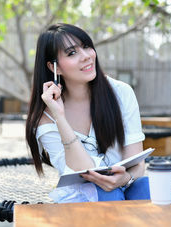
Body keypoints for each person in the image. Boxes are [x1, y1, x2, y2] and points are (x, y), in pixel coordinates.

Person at [25, 23, 150, 202]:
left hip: (125, 185)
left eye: (86, 47)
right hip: (82, 197)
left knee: (143, 186)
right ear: (54, 68)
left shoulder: (121, 92)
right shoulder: (46, 118)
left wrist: (126, 178)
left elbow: (136, 163)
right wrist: (60, 116)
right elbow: (83, 170)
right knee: (109, 194)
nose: (86, 57)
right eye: (72, 53)